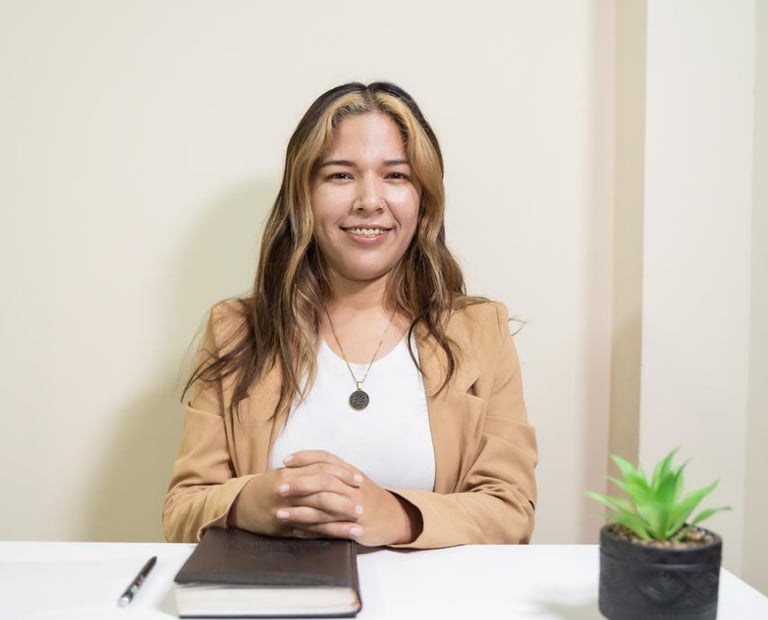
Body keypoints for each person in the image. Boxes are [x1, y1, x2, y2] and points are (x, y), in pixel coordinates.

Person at [163, 81, 537, 548]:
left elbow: (510, 509)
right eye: (340, 175)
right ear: (304, 196)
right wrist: (248, 502)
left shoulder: (482, 332)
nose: (369, 200)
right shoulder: (236, 330)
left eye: (396, 176)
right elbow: (182, 510)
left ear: (424, 201)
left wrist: (395, 515)